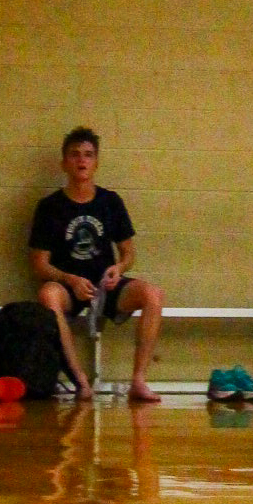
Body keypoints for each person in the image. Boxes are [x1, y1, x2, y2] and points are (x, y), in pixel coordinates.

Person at [30, 129, 164, 404]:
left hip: (106, 284)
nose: (82, 161)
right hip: (70, 286)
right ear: (64, 163)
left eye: (88, 155)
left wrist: (119, 268)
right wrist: (69, 279)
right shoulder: (49, 207)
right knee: (47, 296)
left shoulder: (110, 202)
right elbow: (39, 265)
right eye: (75, 155)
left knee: (153, 294)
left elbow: (128, 253)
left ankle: (138, 380)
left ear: (96, 162)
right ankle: (80, 380)